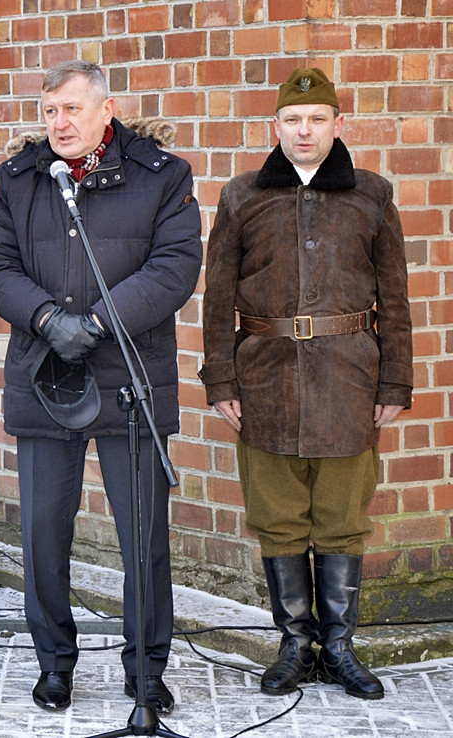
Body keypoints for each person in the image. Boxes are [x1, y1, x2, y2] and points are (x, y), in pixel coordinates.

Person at [0, 60, 202, 713]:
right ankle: (54, 664)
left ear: (105, 109)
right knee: (44, 535)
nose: (59, 124)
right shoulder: (18, 179)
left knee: (142, 538)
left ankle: (146, 669)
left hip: (130, 379)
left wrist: (98, 322)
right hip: (46, 377)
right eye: (49, 112)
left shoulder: (162, 175)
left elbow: (175, 265)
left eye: (71, 109)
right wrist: (47, 318)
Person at [201, 68, 412, 701]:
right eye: (293, 120)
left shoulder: (372, 195)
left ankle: (340, 647)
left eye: (317, 119)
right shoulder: (242, 197)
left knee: (344, 519)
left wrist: (394, 383)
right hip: (264, 380)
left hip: (350, 380)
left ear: (338, 125)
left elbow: (395, 300)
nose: (304, 130)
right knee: (280, 518)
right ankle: (295, 645)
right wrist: (221, 379)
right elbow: (216, 298)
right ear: (276, 127)